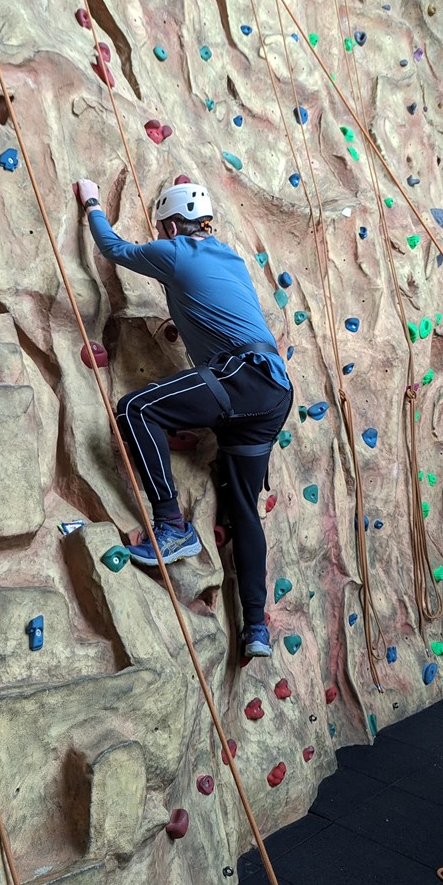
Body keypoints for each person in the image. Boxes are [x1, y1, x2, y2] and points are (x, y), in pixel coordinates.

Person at [77, 176, 293, 658]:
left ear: (172, 224)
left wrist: (92, 200)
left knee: (135, 407)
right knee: (242, 511)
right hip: (272, 391)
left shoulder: (174, 251)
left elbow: (112, 247)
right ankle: (255, 627)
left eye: (162, 225)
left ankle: (172, 526)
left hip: (241, 376)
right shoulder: (229, 256)